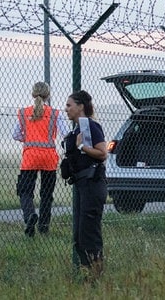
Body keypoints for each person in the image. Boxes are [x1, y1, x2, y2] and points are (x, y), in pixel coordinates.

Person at [13, 81, 68, 237]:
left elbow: (15, 135)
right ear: (48, 95)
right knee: (46, 194)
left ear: (32, 94)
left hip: (30, 157)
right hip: (49, 157)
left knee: (25, 191)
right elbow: (65, 133)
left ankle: (30, 216)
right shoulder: (55, 114)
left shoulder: (24, 113)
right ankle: (44, 227)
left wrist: (28, 138)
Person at [63, 90, 107, 281]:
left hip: (92, 183)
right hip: (82, 185)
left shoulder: (90, 126)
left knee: (89, 234)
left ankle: (96, 276)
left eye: (69, 105)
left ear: (80, 106)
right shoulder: (77, 129)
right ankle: (87, 274)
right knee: (80, 236)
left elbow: (103, 153)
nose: (66, 109)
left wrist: (83, 148)